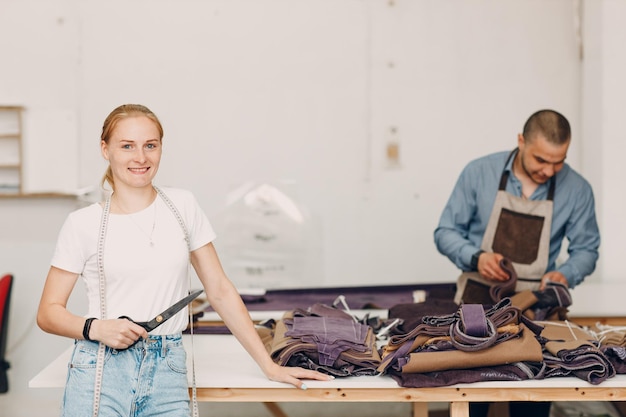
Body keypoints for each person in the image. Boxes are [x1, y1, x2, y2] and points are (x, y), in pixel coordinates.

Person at [37, 104, 332, 416]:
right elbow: (47, 313)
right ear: (105, 149)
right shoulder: (83, 223)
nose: (140, 157)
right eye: (127, 146)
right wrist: (96, 328)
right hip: (99, 366)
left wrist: (268, 365)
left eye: (150, 145)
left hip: (167, 368)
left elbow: (219, 290)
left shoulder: (182, 206)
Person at [433, 109, 600, 417]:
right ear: (521, 141)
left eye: (558, 161)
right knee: (473, 402)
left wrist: (565, 273)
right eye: (541, 160)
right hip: (476, 310)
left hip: (536, 312)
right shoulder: (478, 173)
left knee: (531, 403)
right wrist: (477, 257)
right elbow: (445, 232)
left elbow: (587, 250)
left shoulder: (577, 189)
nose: (549, 171)